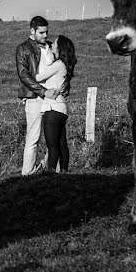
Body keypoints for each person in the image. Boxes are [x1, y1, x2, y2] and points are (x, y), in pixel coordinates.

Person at [15, 16, 58, 175]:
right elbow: (23, 75)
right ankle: (27, 173)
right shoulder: (23, 49)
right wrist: (43, 91)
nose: (45, 35)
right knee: (33, 137)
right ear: (32, 31)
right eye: (41, 32)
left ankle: (51, 169)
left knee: (54, 136)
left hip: (54, 97)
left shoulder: (51, 46)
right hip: (35, 97)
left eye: (47, 32)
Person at [36, 35, 77, 172]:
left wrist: (26, 75)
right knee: (61, 143)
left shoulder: (58, 64)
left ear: (60, 48)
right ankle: (64, 172)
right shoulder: (63, 65)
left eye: (55, 43)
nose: (52, 44)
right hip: (61, 109)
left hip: (52, 108)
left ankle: (51, 173)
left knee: (52, 145)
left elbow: (39, 77)